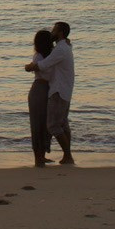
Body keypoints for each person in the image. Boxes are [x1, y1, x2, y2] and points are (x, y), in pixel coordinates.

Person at [24, 21, 74, 164]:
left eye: (54, 30)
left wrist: (30, 67)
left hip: (52, 90)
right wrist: (32, 67)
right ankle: (41, 157)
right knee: (42, 124)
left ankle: (61, 155)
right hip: (40, 90)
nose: (52, 33)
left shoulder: (58, 50)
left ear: (60, 33)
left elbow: (44, 66)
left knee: (53, 125)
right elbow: (44, 69)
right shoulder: (45, 54)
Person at [28, 29, 54, 167]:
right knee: (37, 124)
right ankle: (38, 157)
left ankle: (42, 155)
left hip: (47, 89)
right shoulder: (38, 56)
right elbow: (45, 72)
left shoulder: (49, 56)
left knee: (46, 124)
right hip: (39, 89)